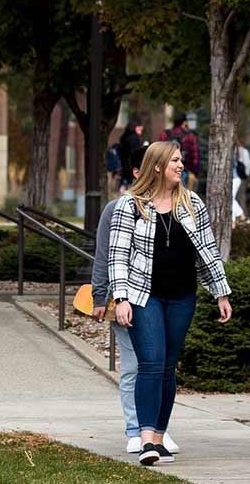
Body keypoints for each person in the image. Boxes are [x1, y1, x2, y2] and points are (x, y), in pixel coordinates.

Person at [109, 140, 233, 467]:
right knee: (150, 361)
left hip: (182, 297)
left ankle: (160, 438)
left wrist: (221, 292)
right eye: (175, 160)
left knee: (167, 367)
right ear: (158, 166)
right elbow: (118, 256)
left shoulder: (191, 203)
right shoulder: (130, 205)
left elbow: (208, 250)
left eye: (181, 160)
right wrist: (120, 298)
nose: (182, 165)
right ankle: (145, 438)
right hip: (142, 295)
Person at [93, 147, 184, 456]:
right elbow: (107, 254)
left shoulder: (184, 203)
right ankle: (136, 431)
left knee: (159, 365)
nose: (180, 165)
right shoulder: (119, 208)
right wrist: (100, 295)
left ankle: (157, 432)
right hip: (128, 298)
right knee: (138, 365)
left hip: (168, 297)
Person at [158, 113, 200, 187]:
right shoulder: (189, 136)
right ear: (184, 122)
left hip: (165, 170)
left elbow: (158, 152)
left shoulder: (164, 134)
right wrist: (194, 172)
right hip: (184, 170)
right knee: (183, 194)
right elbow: (195, 157)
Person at [117, 122, 146, 190]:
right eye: (139, 127)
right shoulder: (134, 138)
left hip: (125, 165)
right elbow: (136, 153)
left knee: (124, 183)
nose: (141, 129)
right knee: (133, 184)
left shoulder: (125, 137)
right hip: (131, 166)